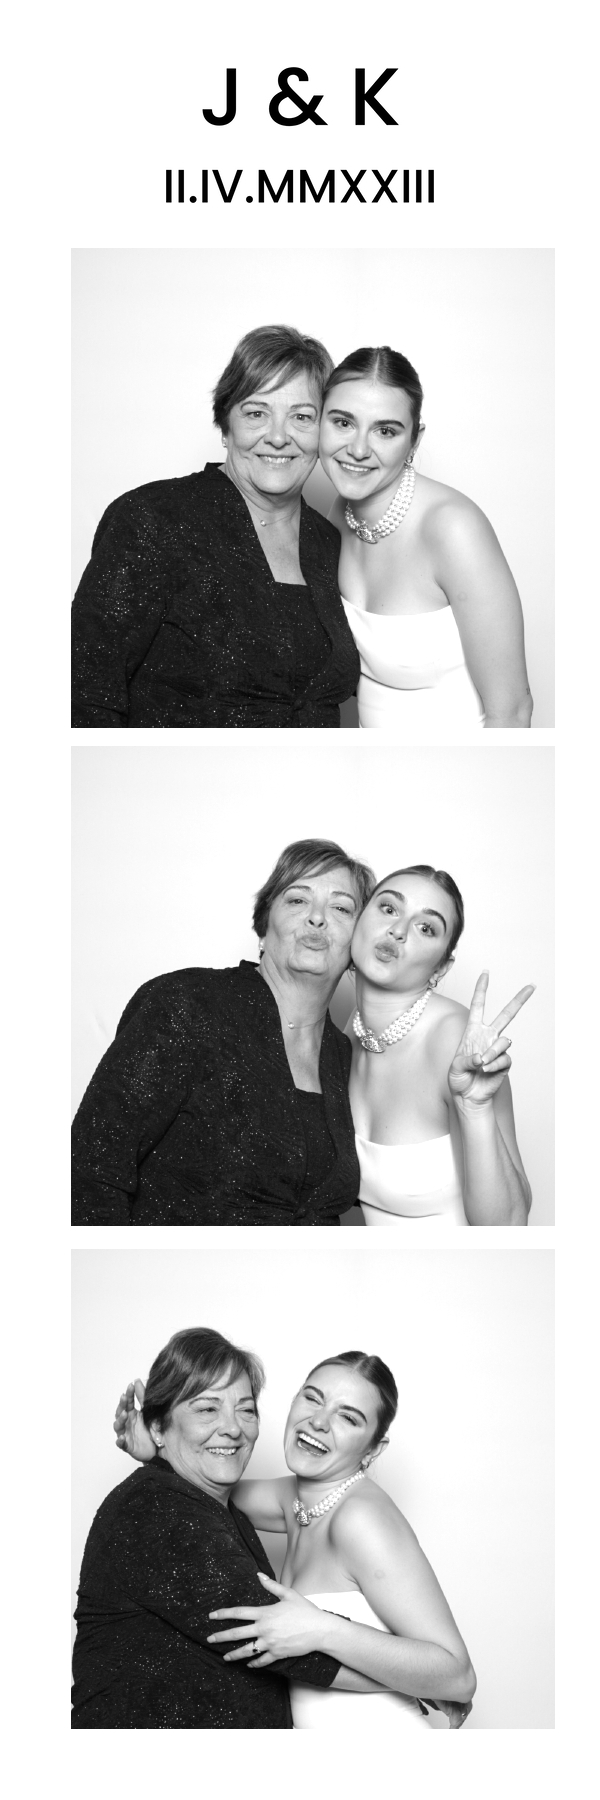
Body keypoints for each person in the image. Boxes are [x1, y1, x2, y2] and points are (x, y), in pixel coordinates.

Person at [114, 1348, 476, 1731]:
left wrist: (322, 1629)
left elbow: (458, 1676)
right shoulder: (295, 1500)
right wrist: (160, 1447)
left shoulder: (362, 1519)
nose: (318, 1421)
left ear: (373, 1449)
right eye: (313, 1398)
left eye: (348, 1417)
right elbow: (206, 1487)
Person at [71, 839, 374, 1225]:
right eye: (297, 900)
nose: (317, 918)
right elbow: (92, 1172)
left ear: (359, 942)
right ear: (264, 924)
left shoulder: (346, 1056)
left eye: (341, 908)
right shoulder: (188, 1003)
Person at [71, 325, 360, 728]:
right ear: (225, 425)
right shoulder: (153, 518)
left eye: (302, 417)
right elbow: (86, 695)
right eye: (256, 413)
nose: (279, 437)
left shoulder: (332, 542)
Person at [72, 1328, 356, 1727]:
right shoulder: (158, 1508)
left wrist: (161, 1451)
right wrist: (417, 1679)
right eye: (207, 1409)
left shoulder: (213, 1506)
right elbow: (300, 1652)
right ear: (158, 1427)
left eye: (246, 1409)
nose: (233, 1428)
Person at [319, 346, 533, 731]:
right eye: (343, 422)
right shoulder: (339, 514)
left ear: (414, 441)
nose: (358, 449)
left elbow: (512, 710)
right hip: (371, 761)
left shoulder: (454, 529)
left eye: (385, 431)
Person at [348, 865, 533, 1226]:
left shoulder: (456, 1042)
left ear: (441, 967)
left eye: (426, 928)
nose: (398, 930)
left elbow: (510, 1226)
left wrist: (475, 1109)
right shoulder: (350, 1031)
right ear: (359, 918)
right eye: (389, 908)